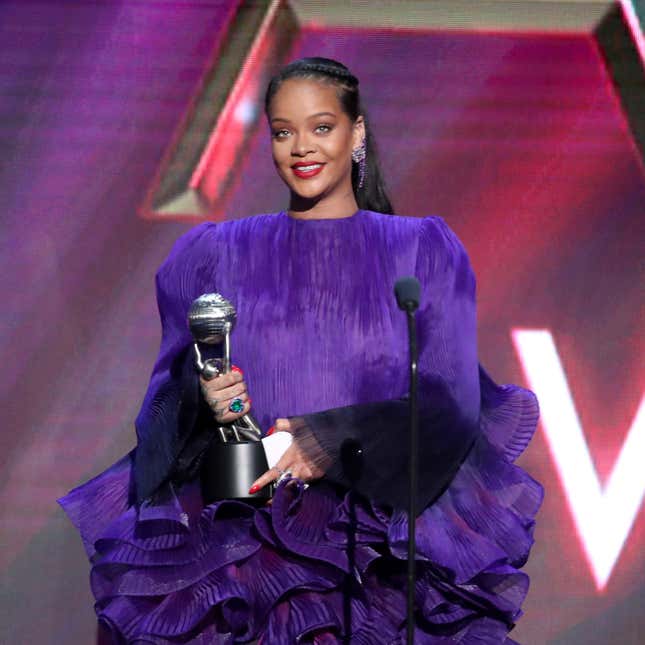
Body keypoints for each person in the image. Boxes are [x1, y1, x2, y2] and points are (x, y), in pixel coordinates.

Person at [59, 57, 544, 644]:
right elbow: (157, 424)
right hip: (240, 552)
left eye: (321, 127)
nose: (300, 148)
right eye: (284, 132)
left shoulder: (420, 250)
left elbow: (451, 407)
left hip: (374, 559)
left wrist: (336, 437)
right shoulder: (215, 253)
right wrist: (202, 394)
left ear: (356, 132)